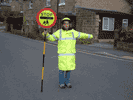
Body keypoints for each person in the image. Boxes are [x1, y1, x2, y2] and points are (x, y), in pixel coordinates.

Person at [42, 17, 93, 89]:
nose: (66, 25)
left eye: (68, 23)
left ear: (69, 24)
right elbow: (52, 38)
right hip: (62, 55)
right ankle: (61, 83)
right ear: (62, 24)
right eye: (65, 23)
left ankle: (67, 82)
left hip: (70, 55)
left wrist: (90, 36)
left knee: (69, 69)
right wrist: (46, 34)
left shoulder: (73, 32)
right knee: (61, 70)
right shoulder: (59, 32)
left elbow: (82, 34)